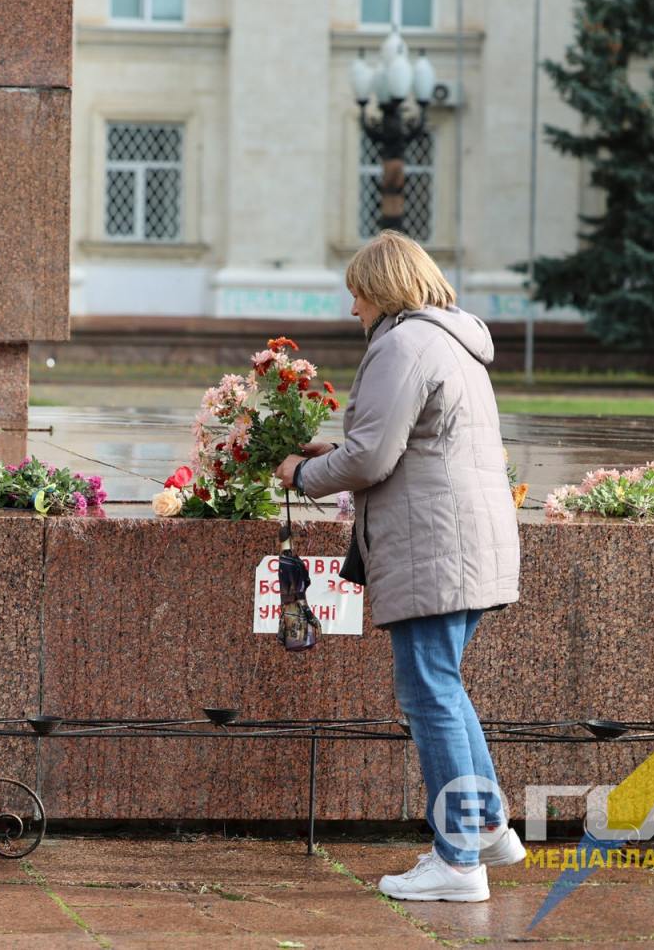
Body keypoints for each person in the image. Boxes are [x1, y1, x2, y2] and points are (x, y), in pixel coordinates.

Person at [276, 230, 522, 903]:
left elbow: (370, 462)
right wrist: (337, 450)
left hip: (435, 545)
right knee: (443, 687)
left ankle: (458, 862)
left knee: (428, 695)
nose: (351, 307)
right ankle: (489, 828)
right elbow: (404, 443)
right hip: (467, 541)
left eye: (356, 292)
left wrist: (303, 472)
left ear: (380, 289)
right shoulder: (449, 339)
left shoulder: (401, 342)